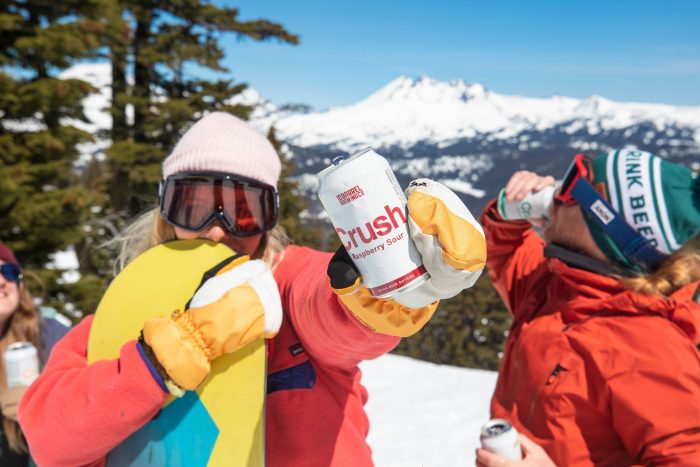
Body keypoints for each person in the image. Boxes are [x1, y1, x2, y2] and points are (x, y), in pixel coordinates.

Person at [18, 112, 487, 466]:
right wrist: (161, 359)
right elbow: (49, 436)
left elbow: (329, 310)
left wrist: (384, 292)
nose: (219, 230)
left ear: (269, 220)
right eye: (196, 205)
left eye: (242, 210)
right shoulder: (128, 305)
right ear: (166, 212)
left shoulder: (285, 282)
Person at [476, 149, 700, 466]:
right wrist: (508, 212)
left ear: (604, 228)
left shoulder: (651, 350)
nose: (557, 192)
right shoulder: (560, 285)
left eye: (572, 186)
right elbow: (506, 256)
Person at [0, 242, 69, 467]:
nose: (2, 281)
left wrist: (38, 405)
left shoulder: (48, 334)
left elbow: (84, 398)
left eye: (8, 272)